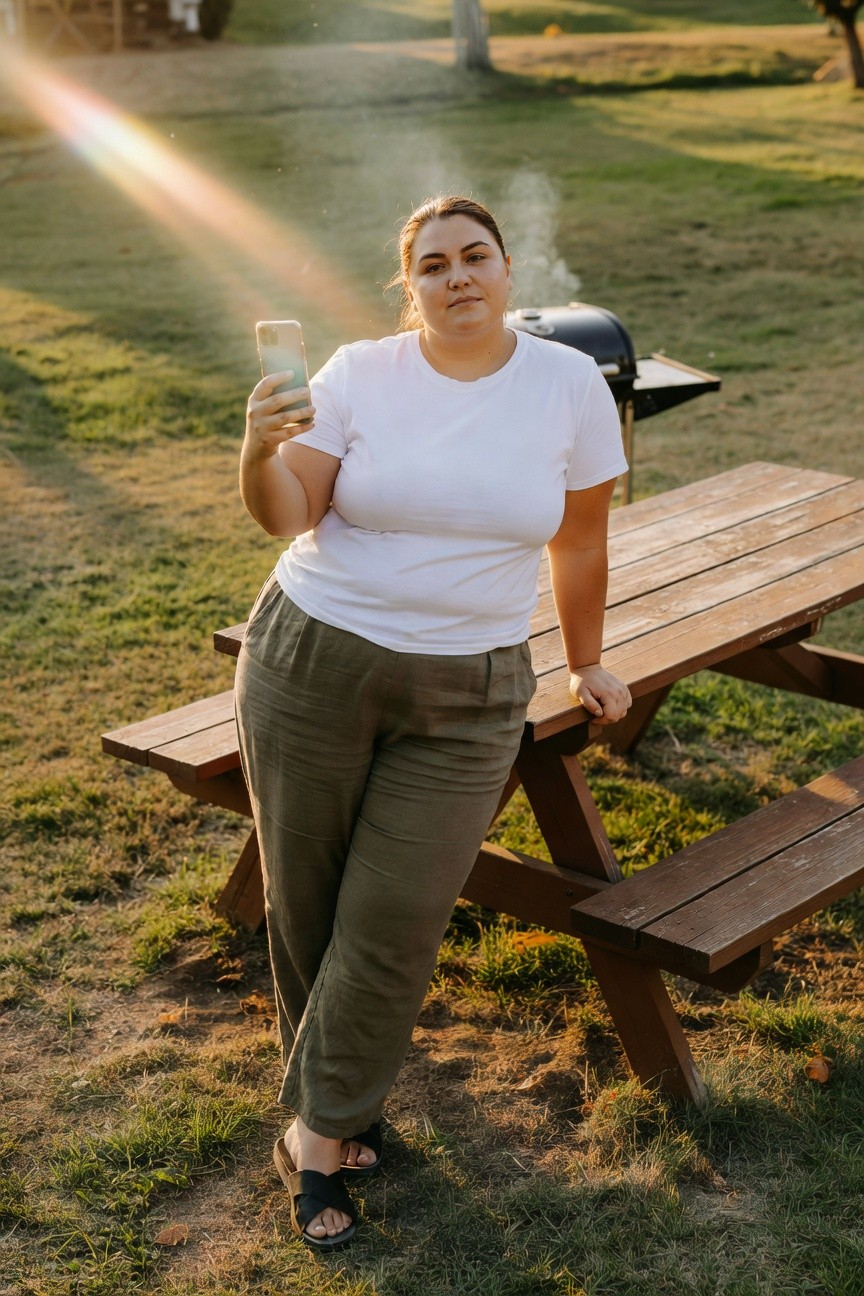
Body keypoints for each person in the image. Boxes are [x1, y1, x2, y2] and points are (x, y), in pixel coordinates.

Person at [235, 194, 632, 1249]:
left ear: (510, 270)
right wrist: (254, 449)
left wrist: (586, 659)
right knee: (308, 900)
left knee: (398, 917)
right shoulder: (362, 374)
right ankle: (335, 1121)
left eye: (476, 257)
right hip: (315, 656)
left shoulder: (569, 383)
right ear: (407, 287)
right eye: (434, 265)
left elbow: (580, 541)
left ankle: (311, 1134)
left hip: (472, 688)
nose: (457, 278)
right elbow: (289, 512)